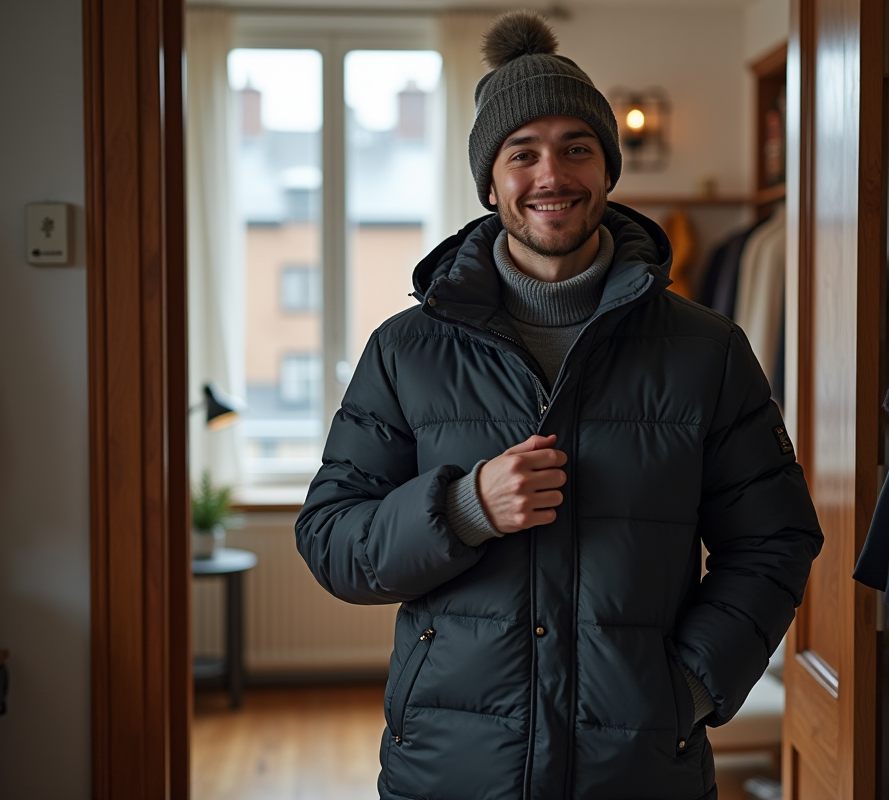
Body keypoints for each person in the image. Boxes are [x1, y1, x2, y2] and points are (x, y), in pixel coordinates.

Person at [295, 11, 822, 800]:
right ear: (491, 181)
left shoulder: (705, 350)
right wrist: (463, 508)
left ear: (608, 170)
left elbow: (775, 541)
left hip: (638, 772)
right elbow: (332, 540)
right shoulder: (405, 350)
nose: (552, 175)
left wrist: (689, 690)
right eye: (523, 153)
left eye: (577, 147)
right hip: (451, 770)